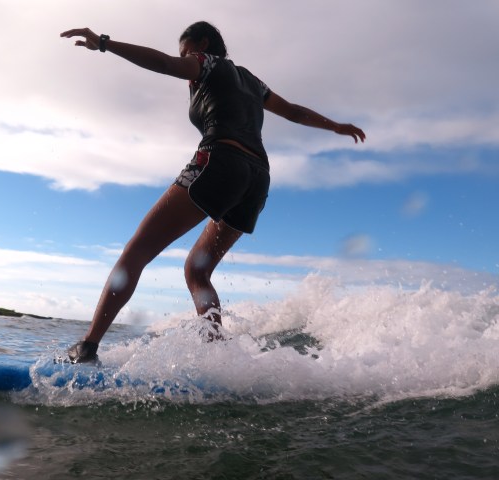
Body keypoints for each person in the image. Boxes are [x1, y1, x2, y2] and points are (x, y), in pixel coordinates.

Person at [60, 22, 365, 363]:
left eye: (186, 51)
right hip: (257, 179)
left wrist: (104, 43)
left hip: (219, 164)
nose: (185, 61)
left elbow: (165, 64)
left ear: (203, 44)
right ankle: (216, 356)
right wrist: (336, 126)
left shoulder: (206, 62)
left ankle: (87, 346)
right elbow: (292, 111)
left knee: (136, 252)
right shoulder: (251, 80)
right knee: (197, 270)